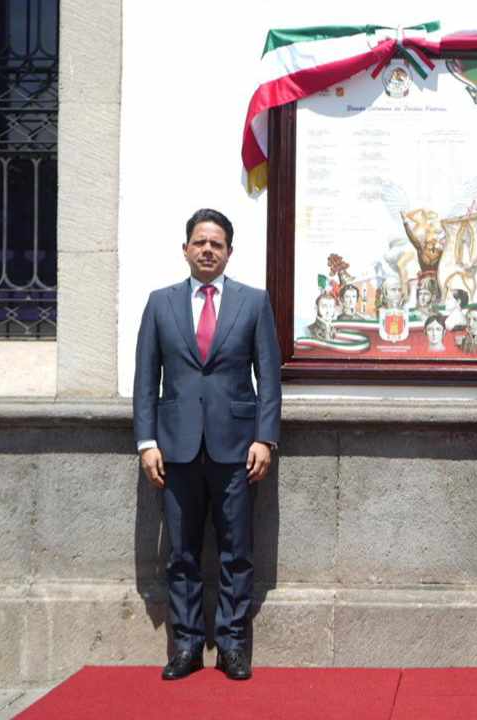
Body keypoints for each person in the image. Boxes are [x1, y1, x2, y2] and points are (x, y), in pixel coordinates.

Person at [133, 208, 281, 682]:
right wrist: (146, 441)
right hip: (174, 450)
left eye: (216, 243)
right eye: (200, 242)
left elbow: (269, 376)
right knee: (181, 554)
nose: (207, 250)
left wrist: (265, 437)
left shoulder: (254, 304)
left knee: (237, 552)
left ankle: (234, 645)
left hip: (237, 450)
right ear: (185, 249)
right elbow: (144, 379)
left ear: (229, 252)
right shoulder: (160, 304)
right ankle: (188, 647)